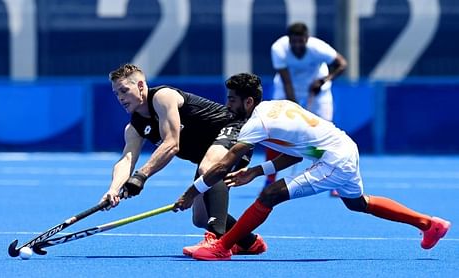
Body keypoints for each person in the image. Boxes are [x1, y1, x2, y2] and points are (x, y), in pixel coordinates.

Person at [174, 72, 451, 261]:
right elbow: (296, 154)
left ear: (248, 101)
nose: (227, 105)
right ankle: (429, 224)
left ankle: (221, 247)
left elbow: (222, 167)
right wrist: (257, 171)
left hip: (334, 158)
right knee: (357, 203)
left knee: (270, 196)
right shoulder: (277, 106)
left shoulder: (256, 125)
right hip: (343, 147)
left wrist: (191, 192)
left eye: (231, 100)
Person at [100, 63, 267, 257]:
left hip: (233, 130)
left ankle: (216, 241)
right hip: (209, 153)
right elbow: (127, 159)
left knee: (209, 168)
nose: (120, 98)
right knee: (200, 217)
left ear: (140, 85)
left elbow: (172, 144)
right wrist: (113, 189)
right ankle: (249, 242)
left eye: (124, 90)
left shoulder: (163, 97)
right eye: (116, 93)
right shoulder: (133, 128)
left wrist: (141, 176)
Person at [264, 22, 347, 187]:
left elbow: (342, 64)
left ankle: (333, 180)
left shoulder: (318, 48)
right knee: (274, 132)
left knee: (326, 135)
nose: (297, 45)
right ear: (289, 41)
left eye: (300, 41)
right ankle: (270, 179)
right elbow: (287, 83)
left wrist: (324, 80)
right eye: (293, 42)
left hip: (317, 91)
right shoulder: (279, 49)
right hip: (286, 89)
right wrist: (294, 110)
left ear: (307, 39)